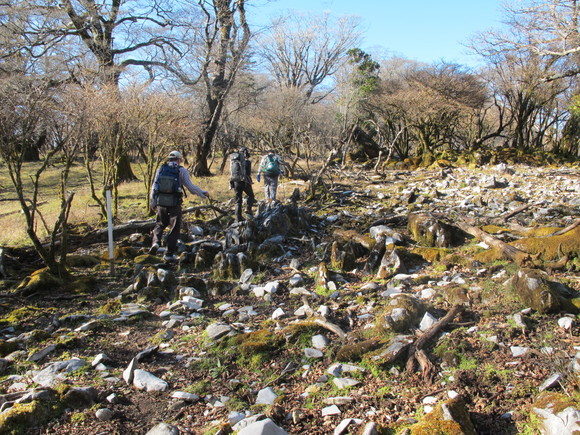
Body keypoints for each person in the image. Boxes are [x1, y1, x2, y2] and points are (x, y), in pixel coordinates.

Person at [149, 150, 209, 261]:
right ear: (179, 160)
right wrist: (202, 193)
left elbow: (154, 187)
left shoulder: (161, 169)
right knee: (174, 228)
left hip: (161, 202)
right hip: (174, 203)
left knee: (160, 224)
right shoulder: (182, 171)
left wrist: (152, 202)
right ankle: (169, 254)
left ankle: (156, 243)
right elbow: (190, 187)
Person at [229, 146, 255, 222]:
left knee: (238, 200)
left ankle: (238, 218)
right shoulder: (247, 162)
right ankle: (248, 209)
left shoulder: (233, 161)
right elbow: (248, 173)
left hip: (235, 181)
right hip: (244, 181)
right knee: (251, 195)